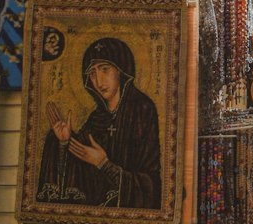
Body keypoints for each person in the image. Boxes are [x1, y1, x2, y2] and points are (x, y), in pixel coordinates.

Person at [36, 35, 162, 209]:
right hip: (99, 211)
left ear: (121, 70)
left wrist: (104, 165)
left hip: (126, 215)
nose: (99, 80)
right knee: (53, 139)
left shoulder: (142, 110)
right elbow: (81, 175)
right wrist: (64, 142)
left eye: (104, 69)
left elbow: (151, 183)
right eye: (92, 73)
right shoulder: (97, 118)